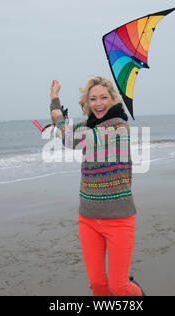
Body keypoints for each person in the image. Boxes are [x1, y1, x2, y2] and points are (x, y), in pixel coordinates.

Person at [49, 76, 145, 296]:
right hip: (88, 218)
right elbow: (67, 129)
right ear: (87, 103)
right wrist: (55, 99)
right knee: (99, 286)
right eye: (93, 99)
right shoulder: (89, 125)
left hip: (119, 219)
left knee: (119, 287)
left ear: (113, 99)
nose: (98, 103)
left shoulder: (119, 127)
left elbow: (69, 140)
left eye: (103, 97)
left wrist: (59, 120)